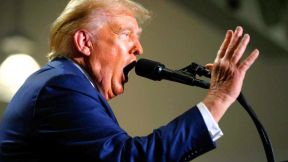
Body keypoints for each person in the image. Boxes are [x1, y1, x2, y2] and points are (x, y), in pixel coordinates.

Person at [0, 0, 259, 161]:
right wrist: (219, 99)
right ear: (84, 42)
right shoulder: (61, 87)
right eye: (126, 34)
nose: (139, 48)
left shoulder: (60, 81)